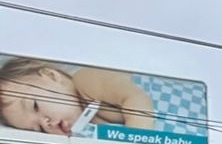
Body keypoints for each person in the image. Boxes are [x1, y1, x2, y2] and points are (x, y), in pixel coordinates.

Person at [0, 56, 156, 136]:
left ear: (52, 76)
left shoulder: (86, 81)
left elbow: (137, 99)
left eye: (35, 106)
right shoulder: (84, 127)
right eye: (39, 128)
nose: (45, 123)